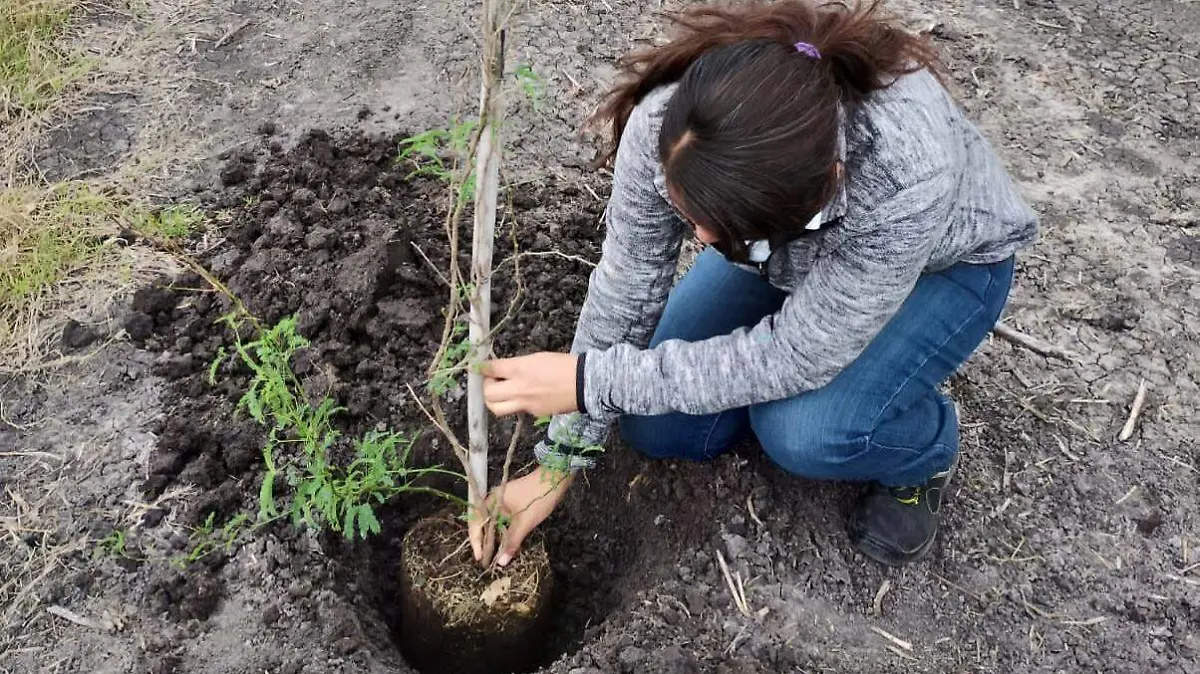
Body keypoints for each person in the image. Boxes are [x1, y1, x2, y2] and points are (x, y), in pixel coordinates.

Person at [470, 0, 1037, 568]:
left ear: (818, 189)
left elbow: (796, 358)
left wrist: (593, 380)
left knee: (804, 431)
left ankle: (924, 451)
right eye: (689, 213)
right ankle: (795, 377)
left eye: (711, 225)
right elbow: (630, 280)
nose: (694, 233)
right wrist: (559, 460)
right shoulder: (680, 128)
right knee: (653, 422)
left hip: (947, 267)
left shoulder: (900, 176)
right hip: (772, 252)